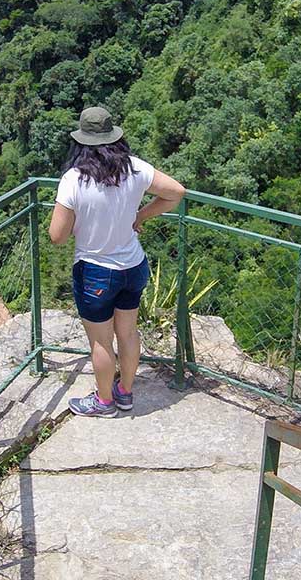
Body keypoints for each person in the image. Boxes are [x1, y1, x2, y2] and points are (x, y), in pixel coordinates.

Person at [49, 106, 186, 417]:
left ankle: (104, 401)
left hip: (96, 272)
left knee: (100, 342)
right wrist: (142, 215)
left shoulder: (73, 179)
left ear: (81, 142)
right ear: (115, 138)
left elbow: (57, 236)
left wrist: (76, 220)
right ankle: (125, 392)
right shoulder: (135, 169)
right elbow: (176, 192)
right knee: (128, 333)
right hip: (133, 267)